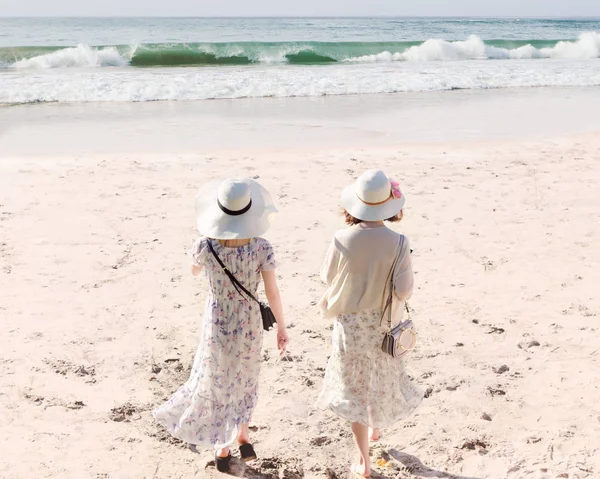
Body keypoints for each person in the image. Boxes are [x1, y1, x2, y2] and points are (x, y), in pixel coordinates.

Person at [153, 178, 289, 473]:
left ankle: (223, 449)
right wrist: (281, 328)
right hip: (249, 323)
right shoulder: (262, 247)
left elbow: (192, 272)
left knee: (219, 380)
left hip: (217, 322)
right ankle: (242, 433)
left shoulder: (205, 245)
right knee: (245, 378)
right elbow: (273, 292)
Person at [317, 170, 423, 478]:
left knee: (355, 388)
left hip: (351, 323)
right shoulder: (399, 242)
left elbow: (327, 277)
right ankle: (376, 428)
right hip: (382, 322)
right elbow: (404, 290)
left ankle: (363, 461)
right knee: (378, 376)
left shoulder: (341, 238)